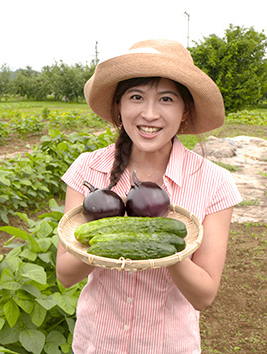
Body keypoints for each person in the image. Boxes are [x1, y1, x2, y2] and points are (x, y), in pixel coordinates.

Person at [56, 39, 243, 354]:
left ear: (185, 112)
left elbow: (205, 295)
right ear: (119, 107)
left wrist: (164, 244)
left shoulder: (214, 183)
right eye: (136, 97)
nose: (150, 113)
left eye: (166, 99)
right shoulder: (87, 169)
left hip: (169, 346)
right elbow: (65, 274)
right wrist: (104, 235)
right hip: (98, 343)